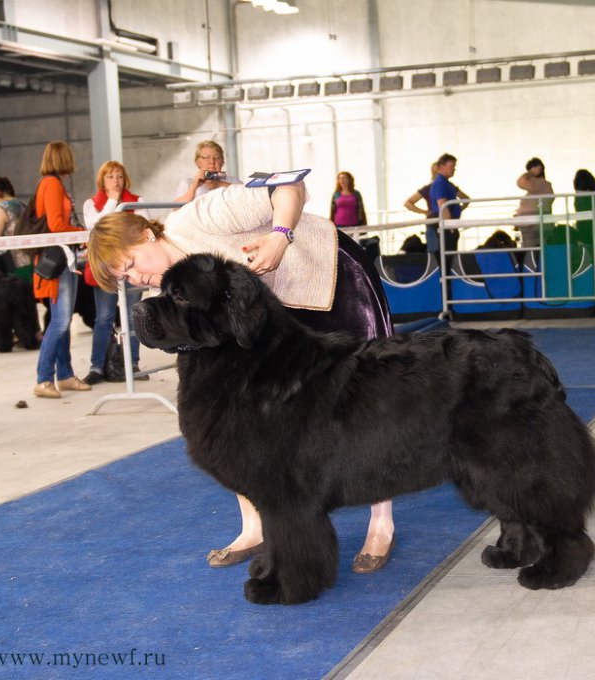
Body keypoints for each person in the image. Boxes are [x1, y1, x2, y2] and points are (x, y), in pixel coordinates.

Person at [87, 180, 397, 574]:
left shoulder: (202, 217)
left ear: (148, 234)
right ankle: (255, 527)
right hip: (271, 317)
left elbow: (289, 188)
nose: (134, 279)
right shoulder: (163, 296)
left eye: (131, 264)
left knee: (361, 406)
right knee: (234, 415)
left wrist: (279, 238)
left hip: (328, 281)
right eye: (123, 279)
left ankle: (381, 524)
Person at [32, 140, 91, 399]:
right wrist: (84, 233)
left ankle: (64, 375)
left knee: (62, 321)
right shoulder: (52, 185)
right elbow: (56, 226)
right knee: (60, 321)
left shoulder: (51, 184)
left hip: (64, 258)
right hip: (59, 259)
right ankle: (44, 378)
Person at [82, 161, 150, 385]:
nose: (116, 181)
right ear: (102, 180)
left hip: (133, 267)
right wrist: (112, 201)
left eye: (119, 176)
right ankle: (97, 367)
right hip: (106, 269)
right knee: (103, 318)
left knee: (132, 316)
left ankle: (132, 364)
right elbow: (96, 227)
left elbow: (145, 226)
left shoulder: (137, 201)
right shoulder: (91, 204)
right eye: (110, 176)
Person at [0, 177, 31, 282]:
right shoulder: (24, 205)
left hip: (13, 262)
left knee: (15, 296)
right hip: (31, 259)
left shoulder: (1, 208)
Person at [173, 140, 240, 203]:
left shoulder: (233, 181)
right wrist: (194, 186)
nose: (212, 162)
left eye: (217, 158)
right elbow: (176, 209)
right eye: (206, 157)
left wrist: (219, 184)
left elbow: (246, 198)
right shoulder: (187, 184)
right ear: (197, 162)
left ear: (222, 162)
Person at [429, 153, 465, 254]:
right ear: (441, 167)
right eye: (452, 166)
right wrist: (450, 226)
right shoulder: (440, 183)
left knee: (451, 253)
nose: (454, 169)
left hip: (449, 223)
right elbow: (443, 206)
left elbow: (465, 199)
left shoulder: (447, 183)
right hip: (447, 226)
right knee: (448, 254)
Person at [515, 157, 555, 249]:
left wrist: (530, 173)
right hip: (535, 223)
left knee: (531, 250)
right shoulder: (542, 186)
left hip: (533, 225)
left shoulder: (539, 183)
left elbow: (520, 182)